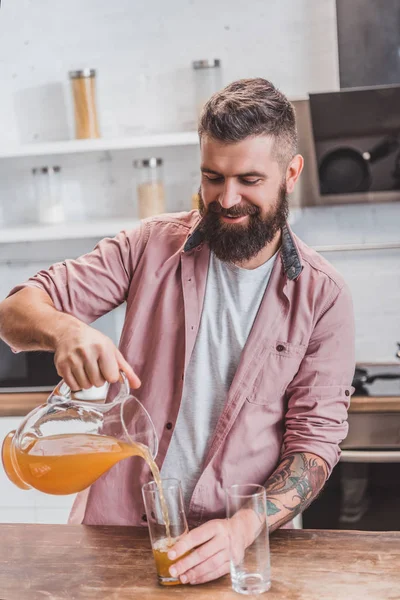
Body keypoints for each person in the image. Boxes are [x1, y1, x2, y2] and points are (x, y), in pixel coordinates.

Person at [0, 78, 355, 585]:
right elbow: (14, 309)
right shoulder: (149, 245)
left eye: (249, 180)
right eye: (213, 177)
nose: (227, 199)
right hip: (115, 537)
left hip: (232, 553)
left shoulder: (323, 296)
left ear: (291, 173)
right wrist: (63, 330)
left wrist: (241, 529)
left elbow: (314, 447)